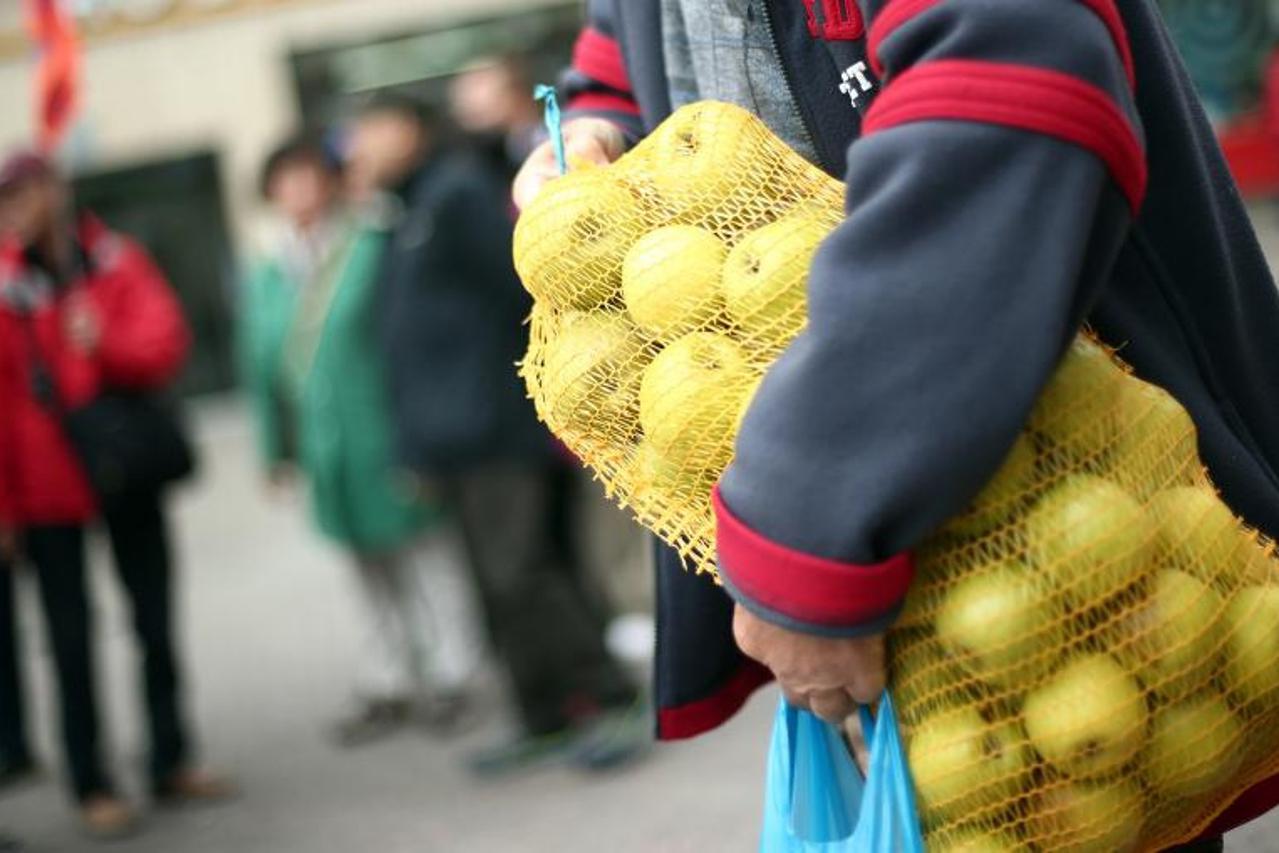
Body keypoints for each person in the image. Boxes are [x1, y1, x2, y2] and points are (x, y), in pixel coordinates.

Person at [513, 0, 1279, 846]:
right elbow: (626, 38)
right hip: (897, 552)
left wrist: (804, 529)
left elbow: (1005, 92)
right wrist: (594, 126)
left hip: (1065, 491)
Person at [349, 96, 644, 773]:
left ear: (410, 124)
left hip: (494, 426)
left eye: (370, 125)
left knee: (527, 570)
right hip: (446, 439)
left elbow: (520, 286)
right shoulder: (403, 208)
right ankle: (540, 714)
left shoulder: (455, 191)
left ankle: (607, 696)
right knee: (492, 585)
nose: (358, 143)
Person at [0, 151, 230, 839]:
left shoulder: (112, 259)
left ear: (57, 190)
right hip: (47, 488)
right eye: (9, 195)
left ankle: (170, 756)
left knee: (153, 620)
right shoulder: (6, 285)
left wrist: (101, 343)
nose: (20, 205)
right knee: (70, 638)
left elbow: (164, 343)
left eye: (29, 189)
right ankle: (90, 779)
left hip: (124, 468)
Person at [241, 136, 484, 744]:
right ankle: (390, 676)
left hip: (386, 432)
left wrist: (422, 436)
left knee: (427, 556)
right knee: (365, 566)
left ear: (328, 182)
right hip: (329, 450)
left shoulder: (372, 248)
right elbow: (262, 368)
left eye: (306, 176)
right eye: (283, 179)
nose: (296, 191)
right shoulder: (268, 274)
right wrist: (275, 451)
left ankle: (455, 669)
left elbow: (407, 348)